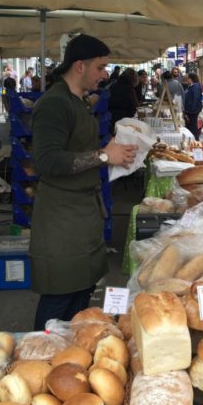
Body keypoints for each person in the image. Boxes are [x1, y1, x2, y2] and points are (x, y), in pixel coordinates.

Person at [29, 34, 138, 330]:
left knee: (81, 294)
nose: (105, 76)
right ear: (80, 66)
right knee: (59, 297)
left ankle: (70, 353)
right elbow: (48, 161)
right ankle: (44, 352)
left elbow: (78, 148)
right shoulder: (54, 104)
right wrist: (104, 156)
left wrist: (115, 147)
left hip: (84, 212)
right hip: (61, 218)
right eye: (101, 68)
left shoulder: (77, 101)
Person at [108, 68, 140, 133]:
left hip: (111, 119)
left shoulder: (113, 86)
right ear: (134, 78)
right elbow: (135, 106)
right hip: (125, 122)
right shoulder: (129, 88)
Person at [183, 72, 203, 139]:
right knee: (190, 127)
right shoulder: (191, 86)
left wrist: (192, 110)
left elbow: (196, 99)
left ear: (190, 79)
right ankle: (192, 141)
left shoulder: (196, 87)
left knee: (193, 128)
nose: (187, 80)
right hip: (190, 111)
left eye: (187, 78)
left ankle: (195, 141)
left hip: (192, 112)